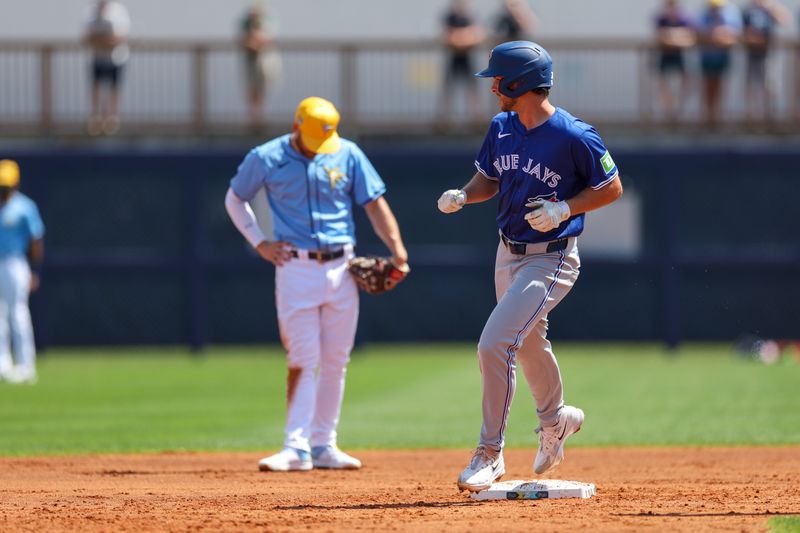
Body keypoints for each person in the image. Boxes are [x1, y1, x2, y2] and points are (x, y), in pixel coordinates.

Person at [436, 41, 623, 492]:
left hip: (552, 257)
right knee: (527, 341)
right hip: (508, 254)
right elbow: (489, 178)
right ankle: (557, 420)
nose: (493, 87)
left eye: (498, 80)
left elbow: (611, 187)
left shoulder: (575, 135)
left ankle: (490, 452)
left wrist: (564, 209)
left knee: (494, 343)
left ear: (520, 83)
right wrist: (465, 195)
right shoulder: (502, 126)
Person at [225, 96, 409, 472]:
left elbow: (374, 204)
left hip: (343, 266)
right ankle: (295, 446)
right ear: (296, 128)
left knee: (336, 360)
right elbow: (235, 198)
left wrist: (398, 251)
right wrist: (259, 242)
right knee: (302, 358)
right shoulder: (267, 156)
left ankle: (324, 444)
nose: (323, 146)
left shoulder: (346, 152)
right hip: (296, 266)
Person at [0, 160, 45, 385]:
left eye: (6, 186)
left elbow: (36, 240)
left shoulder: (24, 207)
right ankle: (3, 362)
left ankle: (26, 365)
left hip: (15, 262)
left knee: (17, 312)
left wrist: (34, 269)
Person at [82, 0, 131, 136]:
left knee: (114, 87)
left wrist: (102, 40)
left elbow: (119, 38)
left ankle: (112, 119)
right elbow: (86, 37)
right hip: (97, 58)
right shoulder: (90, 11)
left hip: (116, 58)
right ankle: (96, 118)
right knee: (96, 87)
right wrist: (104, 40)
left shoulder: (119, 11)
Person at [742, 0, 790, 124]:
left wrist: (770, 7)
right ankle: (752, 119)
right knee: (752, 86)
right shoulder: (748, 11)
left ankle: (770, 118)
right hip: (752, 54)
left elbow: (784, 20)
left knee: (770, 86)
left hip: (769, 55)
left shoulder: (771, 8)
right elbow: (741, 30)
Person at [697, 0, 742, 128]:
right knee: (707, 86)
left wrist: (723, 35)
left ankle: (720, 117)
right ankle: (708, 118)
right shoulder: (704, 13)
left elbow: (736, 33)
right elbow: (698, 31)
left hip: (723, 56)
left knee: (722, 86)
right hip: (707, 56)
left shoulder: (731, 12)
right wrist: (713, 34)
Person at [440, 0, 486, 125]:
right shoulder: (450, 17)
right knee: (449, 88)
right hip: (454, 57)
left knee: (472, 88)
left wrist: (460, 37)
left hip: (468, 57)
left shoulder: (471, 16)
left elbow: (478, 35)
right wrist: (464, 37)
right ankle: (445, 120)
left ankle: (476, 118)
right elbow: (447, 36)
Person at [239, 3, 281, 131]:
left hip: (264, 60)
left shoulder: (267, 21)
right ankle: (254, 119)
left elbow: (267, 38)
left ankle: (260, 119)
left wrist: (257, 39)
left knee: (262, 90)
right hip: (250, 60)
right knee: (252, 90)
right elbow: (243, 39)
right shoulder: (246, 22)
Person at [654, 0, 695, 121]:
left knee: (686, 84)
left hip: (681, 57)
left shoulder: (684, 20)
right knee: (663, 86)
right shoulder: (661, 19)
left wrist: (671, 37)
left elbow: (689, 40)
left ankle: (677, 111)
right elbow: (660, 38)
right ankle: (668, 112)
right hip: (665, 56)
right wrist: (676, 37)